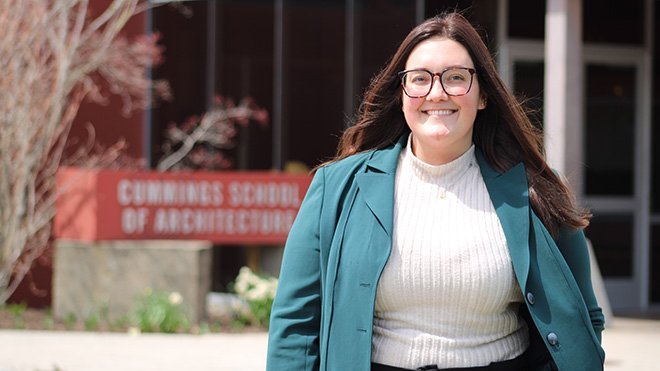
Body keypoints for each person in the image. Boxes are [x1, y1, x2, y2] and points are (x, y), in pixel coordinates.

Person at [266, 12, 605, 371]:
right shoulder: (336, 188)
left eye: (456, 77)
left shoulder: (535, 189)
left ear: (483, 95)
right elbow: (296, 327)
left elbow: (583, 318)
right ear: (402, 93)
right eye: (420, 79)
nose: (437, 92)